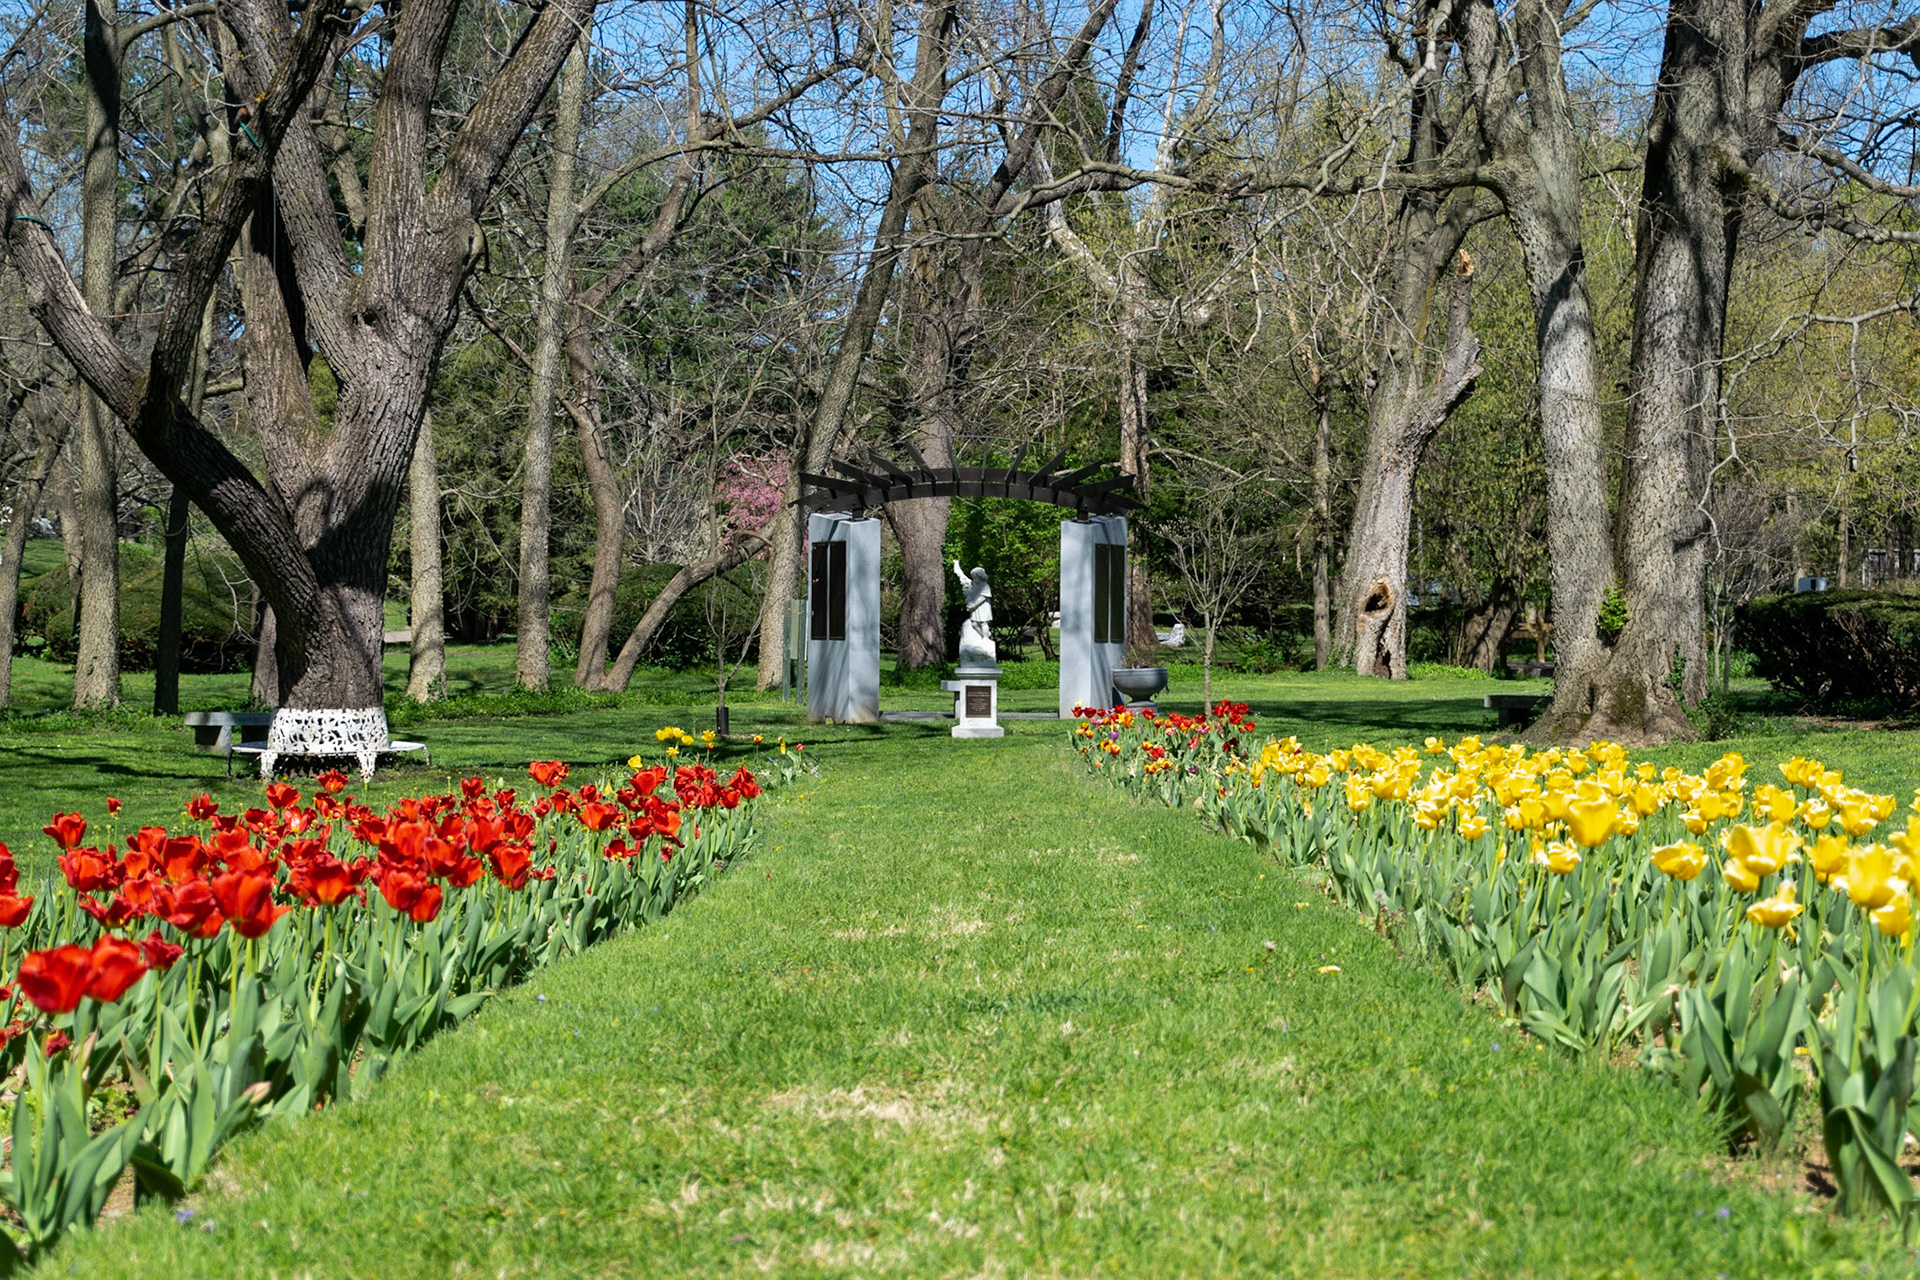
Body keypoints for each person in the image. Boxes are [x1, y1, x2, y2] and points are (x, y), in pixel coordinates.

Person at [952, 560, 995, 666]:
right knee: (974, 623)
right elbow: (964, 579)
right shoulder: (975, 585)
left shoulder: (985, 585)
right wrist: (956, 566)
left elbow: (982, 598)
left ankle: (985, 638)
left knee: (983, 623)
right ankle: (983, 635)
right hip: (975, 609)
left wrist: (973, 605)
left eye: (975, 577)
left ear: (980, 576)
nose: (974, 579)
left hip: (982, 608)